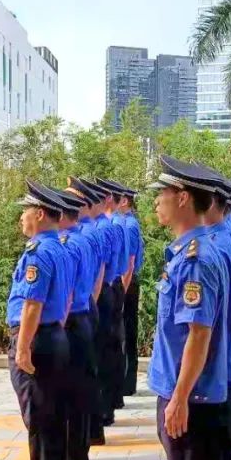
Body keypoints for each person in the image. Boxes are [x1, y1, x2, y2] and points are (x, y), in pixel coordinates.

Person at [147, 155, 231, 460]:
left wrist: (179, 398)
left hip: (192, 396)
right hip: (182, 390)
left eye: (161, 195)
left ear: (183, 198)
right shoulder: (186, 253)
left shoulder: (197, 260)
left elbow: (200, 334)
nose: (156, 203)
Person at [6, 181, 72, 460]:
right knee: (53, 413)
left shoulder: (39, 253)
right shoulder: (60, 247)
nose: (22, 218)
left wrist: (22, 347)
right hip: (53, 336)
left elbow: (33, 304)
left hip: (37, 338)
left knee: (40, 414)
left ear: (41, 213)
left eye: (26, 212)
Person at [54, 188, 100, 460]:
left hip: (71, 320)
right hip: (84, 315)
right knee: (80, 388)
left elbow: (66, 292)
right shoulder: (83, 239)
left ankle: (72, 454)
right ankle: (79, 450)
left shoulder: (68, 244)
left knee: (68, 392)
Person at [71, 177, 112, 446]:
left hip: (84, 308)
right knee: (89, 372)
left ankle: (87, 435)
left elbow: (99, 273)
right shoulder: (92, 231)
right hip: (90, 306)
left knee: (82, 378)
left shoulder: (85, 235)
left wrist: (91, 303)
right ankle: (93, 431)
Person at [92, 179, 128, 427]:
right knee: (109, 348)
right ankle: (109, 403)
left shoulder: (103, 228)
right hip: (108, 289)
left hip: (104, 290)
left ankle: (105, 408)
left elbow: (101, 271)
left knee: (103, 352)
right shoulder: (107, 226)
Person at [114, 185, 144, 397]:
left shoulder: (130, 224)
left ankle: (127, 382)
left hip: (128, 283)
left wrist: (121, 295)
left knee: (127, 332)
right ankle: (122, 381)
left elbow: (130, 263)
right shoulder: (123, 222)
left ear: (125, 201)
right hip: (123, 281)